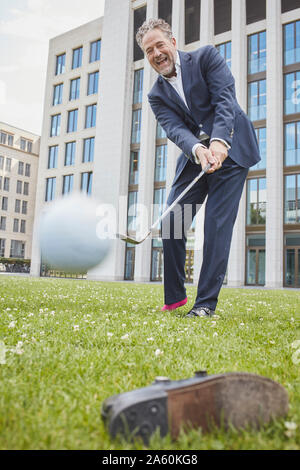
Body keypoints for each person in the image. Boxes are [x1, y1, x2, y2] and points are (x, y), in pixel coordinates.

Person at [136, 19, 260, 318]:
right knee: (171, 222)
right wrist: (199, 149)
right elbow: (175, 129)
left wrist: (218, 141)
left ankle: (205, 305)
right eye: (149, 50)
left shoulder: (206, 57)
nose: (156, 54)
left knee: (215, 227)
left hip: (232, 146)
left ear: (173, 42)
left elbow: (224, 100)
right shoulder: (156, 95)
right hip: (195, 156)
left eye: (160, 45)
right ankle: (175, 297)